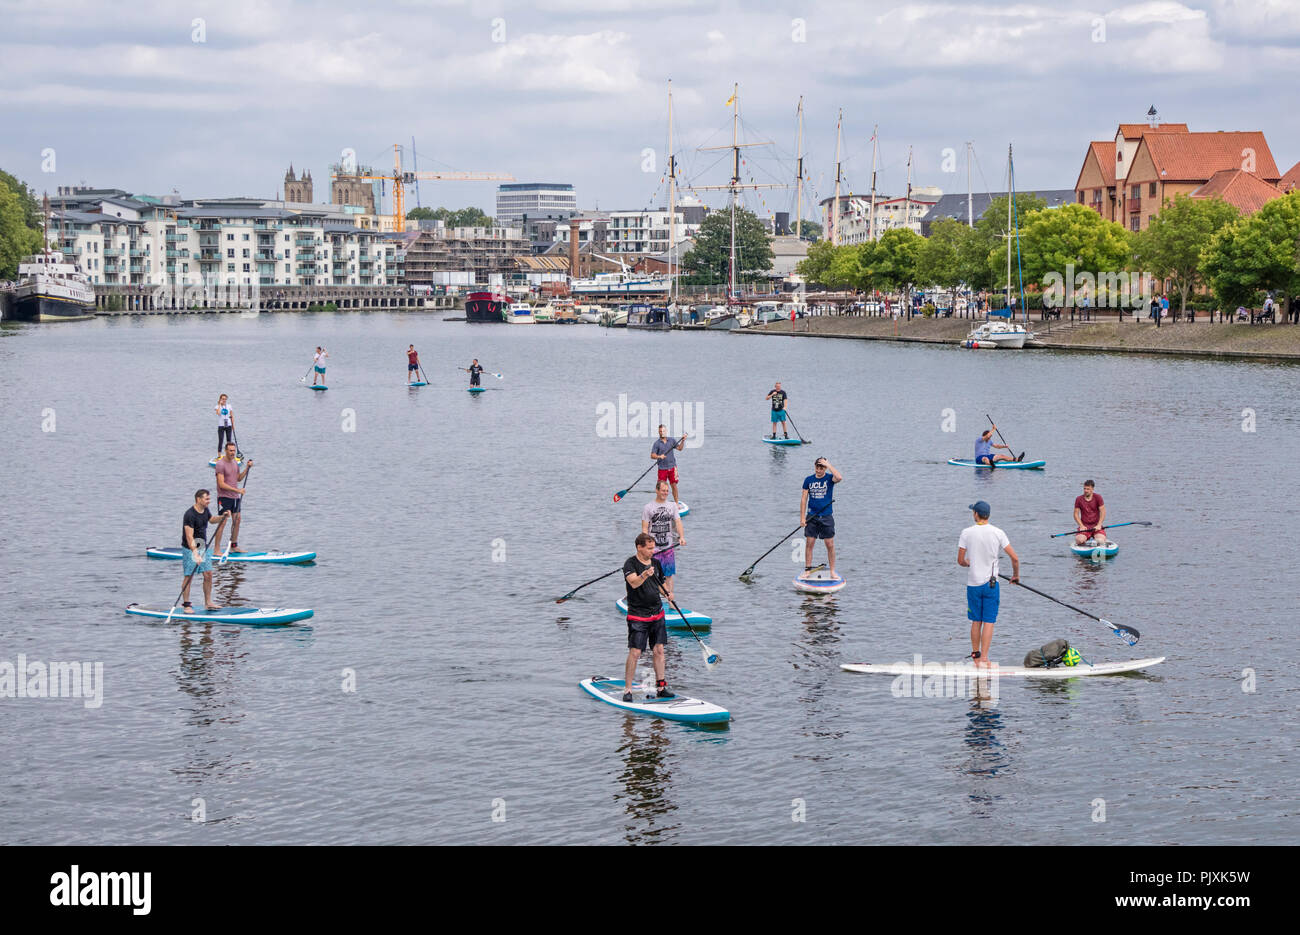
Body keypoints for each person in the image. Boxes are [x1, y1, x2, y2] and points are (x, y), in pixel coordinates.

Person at [957, 500, 1020, 667]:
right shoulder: (998, 532)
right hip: (991, 584)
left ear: (976, 514)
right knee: (989, 621)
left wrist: (968, 563)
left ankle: (976, 657)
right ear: (988, 515)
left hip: (973, 584)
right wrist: (1015, 576)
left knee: (976, 621)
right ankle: (985, 658)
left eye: (973, 512)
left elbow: (960, 561)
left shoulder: (966, 533)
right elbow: (1014, 558)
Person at [622, 532, 673, 702]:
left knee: (659, 650)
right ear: (639, 547)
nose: (653, 551)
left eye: (654, 548)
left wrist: (668, 594)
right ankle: (628, 690)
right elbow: (634, 583)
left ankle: (661, 687)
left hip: (657, 613)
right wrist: (645, 574)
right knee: (635, 652)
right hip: (638, 615)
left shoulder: (656, 563)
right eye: (650, 548)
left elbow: (661, 583)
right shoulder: (630, 563)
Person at [181, 489, 231, 613]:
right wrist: (195, 553)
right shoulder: (189, 515)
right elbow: (189, 537)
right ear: (198, 499)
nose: (209, 501)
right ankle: (186, 605)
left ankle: (208, 603)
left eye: (209, 499)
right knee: (189, 576)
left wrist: (222, 517)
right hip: (190, 548)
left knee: (208, 574)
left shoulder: (205, 510)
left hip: (203, 546)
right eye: (206, 499)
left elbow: (212, 519)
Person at [642, 479, 686, 602]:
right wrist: (645, 547)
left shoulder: (672, 506)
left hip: (668, 547)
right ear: (657, 491)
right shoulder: (648, 507)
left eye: (667, 491)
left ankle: (670, 601)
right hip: (653, 549)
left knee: (669, 575)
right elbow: (645, 528)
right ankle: (654, 600)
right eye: (663, 490)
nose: (665, 493)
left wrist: (681, 537)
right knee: (653, 576)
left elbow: (678, 522)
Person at [801, 457, 842, 576]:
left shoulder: (830, 478)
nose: (818, 470)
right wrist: (802, 518)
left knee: (830, 544)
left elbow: (839, 477)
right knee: (809, 543)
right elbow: (804, 499)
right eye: (817, 467)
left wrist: (828, 465)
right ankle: (807, 570)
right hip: (812, 516)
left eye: (821, 467)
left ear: (825, 468)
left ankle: (832, 571)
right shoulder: (808, 480)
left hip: (826, 516)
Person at [213, 442, 252, 554]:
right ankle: (216, 550)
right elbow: (221, 484)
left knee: (237, 520)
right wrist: (238, 491)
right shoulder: (220, 464)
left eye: (234, 450)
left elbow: (238, 479)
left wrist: (247, 469)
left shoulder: (235, 462)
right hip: (224, 497)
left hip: (235, 497)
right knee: (223, 522)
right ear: (226, 451)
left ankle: (234, 546)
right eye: (230, 451)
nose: (232, 453)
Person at [650, 424, 688, 504]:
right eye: (660, 431)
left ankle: (677, 503)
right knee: (660, 487)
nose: (662, 433)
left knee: (674, 485)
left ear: (666, 431)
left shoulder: (672, 440)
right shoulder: (657, 443)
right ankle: (660, 503)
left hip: (672, 467)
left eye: (663, 431)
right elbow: (652, 455)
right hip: (662, 468)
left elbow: (680, 448)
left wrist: (683, 440)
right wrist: (659, 456)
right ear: (658, 432)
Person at [1073, 479, 1107, 546]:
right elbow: (1075, 514)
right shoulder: (1078, 499)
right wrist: (1081, 525)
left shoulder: (1098, 497)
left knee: (1100, 541)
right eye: (1084, 489)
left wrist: (1099, 524)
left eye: (1088, 489)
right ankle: (1085, 540)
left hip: (1096, 526)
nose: (1085, 491)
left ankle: (1096, 539)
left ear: (1092, 489)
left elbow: (1103, 512)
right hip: (1084, 527)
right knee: (1079, 540)